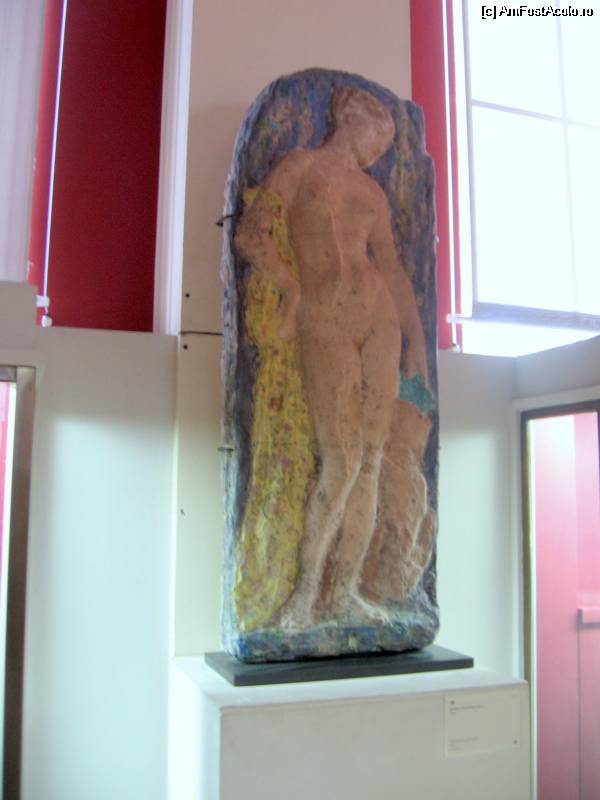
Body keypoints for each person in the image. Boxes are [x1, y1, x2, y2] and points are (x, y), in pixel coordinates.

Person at [235, 86, 428, 629]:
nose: (379, 146)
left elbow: (393, 269)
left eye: (387, 141)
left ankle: (343, 592)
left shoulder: (372, 192)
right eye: (377, 133)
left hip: (378, 318)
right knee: (340, 461)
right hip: (324, 318)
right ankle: (305, 594)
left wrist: (416, 339)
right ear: (349, 117)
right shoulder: (300, 166)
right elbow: (251, 235)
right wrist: (289, 287)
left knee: (370, 459)